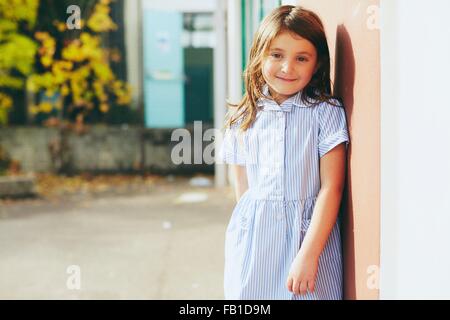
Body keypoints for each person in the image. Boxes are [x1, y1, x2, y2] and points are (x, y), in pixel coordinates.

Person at [219, 5, 350, 300]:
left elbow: (333, 187)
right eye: (276, 55)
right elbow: (243, 190)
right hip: (254, 244)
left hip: (308, 239)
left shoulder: (324, 112)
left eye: (301, 58)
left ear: (316, 65)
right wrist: (248, 238)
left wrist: (309, 254)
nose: (287, 68)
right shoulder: (243, 117)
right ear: (259, 55)